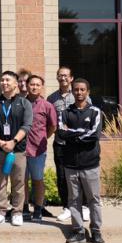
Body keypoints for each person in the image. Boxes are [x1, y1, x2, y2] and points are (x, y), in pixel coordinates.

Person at [57, 79, 105, 243]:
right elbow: (61, 133)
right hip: (70, 164)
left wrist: (72, 133)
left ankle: (96, 231)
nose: (79, 92)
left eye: (82, 89)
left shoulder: (95, 112)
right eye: (76, 90)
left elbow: (94, 135)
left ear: (88, 92)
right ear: (72, 92)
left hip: (90, 163)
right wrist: (80, 133)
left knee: (93, 199)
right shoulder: (64, 112)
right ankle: (78, 231)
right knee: (74, 199)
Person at [0, 71, 33, 226]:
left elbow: (27, 125)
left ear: (16, 84)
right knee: (0, 183)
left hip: (17, 150)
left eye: (7, 80)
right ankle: (0, 211)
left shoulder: (24, 103)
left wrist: (13, 141)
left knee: (18, 182)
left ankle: (17, 212)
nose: (4, 83)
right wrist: (0, 142)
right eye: (2, 80)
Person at [48, 66, 80, 223]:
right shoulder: (51, 98)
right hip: (60, 143)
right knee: (62, 176)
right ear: (57, 78)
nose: (63, 78)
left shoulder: (80, 95)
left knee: (79, 176)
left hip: (77, 144)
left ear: (71, 78)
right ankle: (67, 207)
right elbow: (49, 121)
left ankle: (83, 207)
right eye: (60, 75)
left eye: (66, 76)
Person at [24, 74, 58, 221]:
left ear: (41, 87)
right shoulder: (20, 103)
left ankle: (38, 209)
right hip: (21, 149)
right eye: (32, 84)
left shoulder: (47, 105)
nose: (34, 87)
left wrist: (43, 139)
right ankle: (23, 208)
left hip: (38, 150)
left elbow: (53, 126)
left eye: (38, 85)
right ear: (27, 85)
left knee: (38, 180)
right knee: (22, 181)